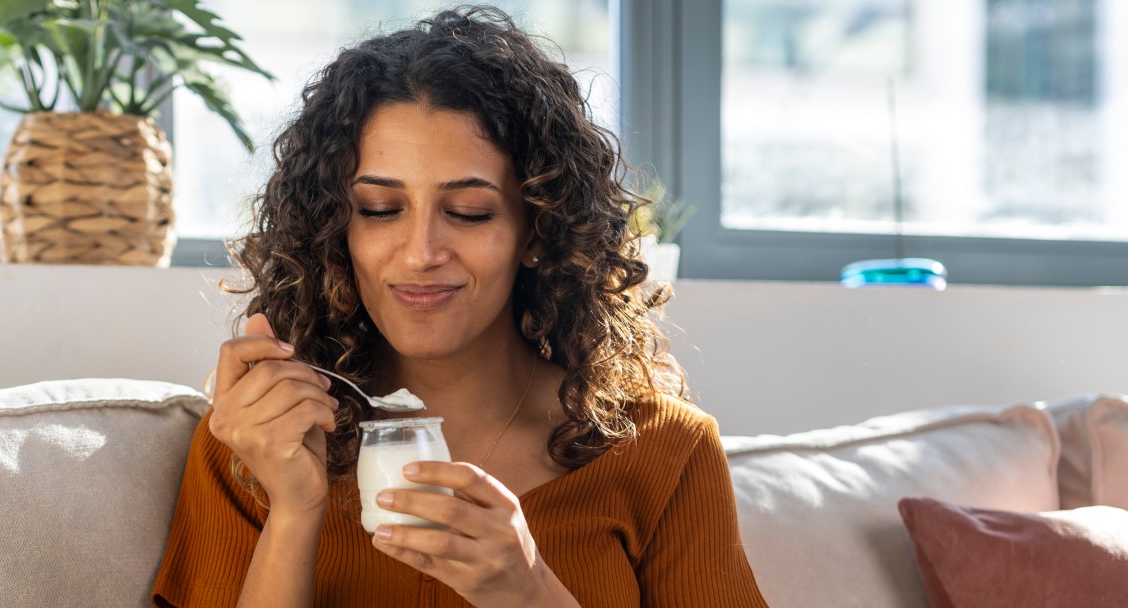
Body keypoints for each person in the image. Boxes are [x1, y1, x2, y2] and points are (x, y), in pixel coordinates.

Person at [151, 6, 770, 607]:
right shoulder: (255, 444)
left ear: (536, 231)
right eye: (380, 209)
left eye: (469, 213)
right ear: (336, 229)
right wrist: (294, 512)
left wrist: (529, 592)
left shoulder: (665, 452)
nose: (421, 253)